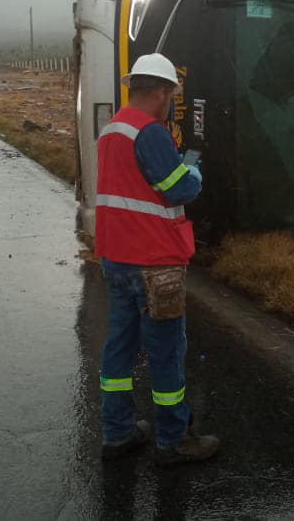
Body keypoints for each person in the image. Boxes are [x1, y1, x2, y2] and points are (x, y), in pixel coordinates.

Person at [95, 52, 219, 466]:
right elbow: (176, 190)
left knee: (119, 350)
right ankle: (173, 441)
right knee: (166, 352)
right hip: (155, 263)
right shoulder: (149, 132)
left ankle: (117, 434)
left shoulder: (112, 130)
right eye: (170, 95)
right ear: (163, 93)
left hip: (117, 257)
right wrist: (193, 176)